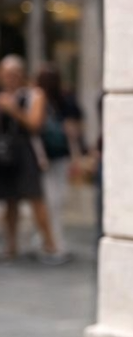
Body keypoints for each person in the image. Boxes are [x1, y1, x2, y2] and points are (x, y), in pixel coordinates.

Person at [0, 54, 68, 265]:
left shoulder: (34, 95)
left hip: (27, 153)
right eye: (6, 74)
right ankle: (11, 246)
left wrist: (13, 110)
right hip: (5, 154)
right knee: (10, 201)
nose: (10, 78)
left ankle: (51, 245)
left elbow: (35, 124)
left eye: (14, 73)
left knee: (35, 198)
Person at [33, 61, 86, 260]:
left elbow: (75, 126)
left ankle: (51, 239)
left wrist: (76, 155)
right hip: (43, 156)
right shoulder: (36, 99)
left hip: (58, 155)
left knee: (56, 200)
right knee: (50, 200)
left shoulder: (64, 100)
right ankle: (49, 240)